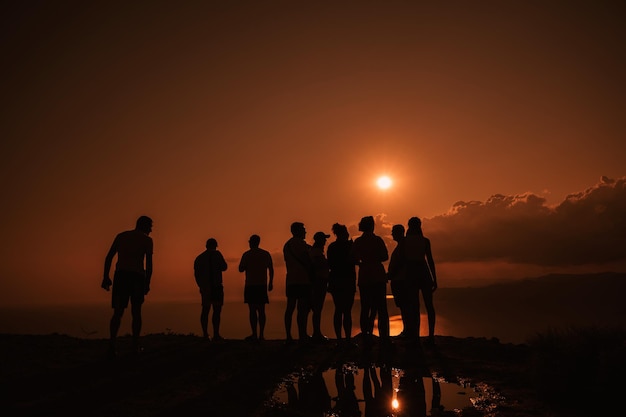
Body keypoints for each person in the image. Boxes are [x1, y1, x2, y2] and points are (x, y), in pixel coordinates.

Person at [102, 215, 153, 357]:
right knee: (136, 312)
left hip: (121, 276)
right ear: (144, 226)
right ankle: (135, 345)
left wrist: (105, 277)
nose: (151, 230)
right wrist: (147, 282)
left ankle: (112, 345)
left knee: (118, 312)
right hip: (137, 277)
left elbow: (109, 257)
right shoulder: (147, 240)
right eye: (150, 227)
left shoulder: (121, 236)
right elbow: (149, 264)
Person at [351, 215, 390, 346]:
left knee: (365, 307)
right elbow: (385, 256)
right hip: (378, 275)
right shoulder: (378, 240)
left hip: (365, 277)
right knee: (382, 308)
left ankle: (366, 335)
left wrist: (363, 262)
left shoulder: (358, 242)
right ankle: (384, 336)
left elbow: (353, 258)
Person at [404, 216, 438, 346]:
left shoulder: (406, 241)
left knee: (414, 307)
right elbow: (430, 260)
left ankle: (416, 336)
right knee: (429, 305)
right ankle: (431, 335)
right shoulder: (425, 241)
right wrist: (435, 278)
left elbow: (403, 260)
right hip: (424, 274)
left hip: (411, 274)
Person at [238, 234, 274, 341]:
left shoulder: (247, 255)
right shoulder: (265, 254)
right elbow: (271, 269)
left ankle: (254, 334)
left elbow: (241, 269)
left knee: (252, 310)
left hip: (250, 285)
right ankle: (261, 334)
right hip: (262, 285)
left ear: (250, 242)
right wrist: (271, 282)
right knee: (261, 310)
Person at [283, 221, 313, 344]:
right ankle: (302, 335)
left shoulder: (287, 245)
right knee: (302, 309)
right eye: (303, 229)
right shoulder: (300, 244)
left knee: (290, 308)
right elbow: (307, 261)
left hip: (291, 280)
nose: (305, 231)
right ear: (298, 231)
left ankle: (289, 336)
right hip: (302, 280)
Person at [327, 223, 356, 344]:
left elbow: (330, 264)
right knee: (347, 311)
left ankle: (339, 339)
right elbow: (354, 260)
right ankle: (348, 338)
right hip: (348, 280)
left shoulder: (332, 247)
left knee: (338, 309)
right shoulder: (349, 246)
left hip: (335, 280)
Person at [194, 238, 228, 341]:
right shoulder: (217, 255)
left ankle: (205, 334)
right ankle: (216, 334)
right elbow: (224, 267)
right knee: (216, 311)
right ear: (215, 245)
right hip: (216, 286)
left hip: (205, 287)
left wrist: (200, 286)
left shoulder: (199, 258)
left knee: (205, 309)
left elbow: (196, 274)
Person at [388, 224, 414, 339]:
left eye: (393, 231)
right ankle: (407, 329)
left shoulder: (402, 246)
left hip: (401, 280)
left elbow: (401, 263)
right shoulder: (401, 245)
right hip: (399, 280)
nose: (391, 234)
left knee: (405, 307)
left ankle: (408, 330)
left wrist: (391, 274)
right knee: (404, 307)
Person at [310, 231, 330, 342]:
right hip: (319, 282)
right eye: (324, 239)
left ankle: (316, 332)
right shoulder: (316, 252)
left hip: (319, 281)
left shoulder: (315, 251)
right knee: (317, 308)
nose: (325, 241)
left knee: (317, 309)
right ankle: (316, 333)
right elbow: (319, 265)